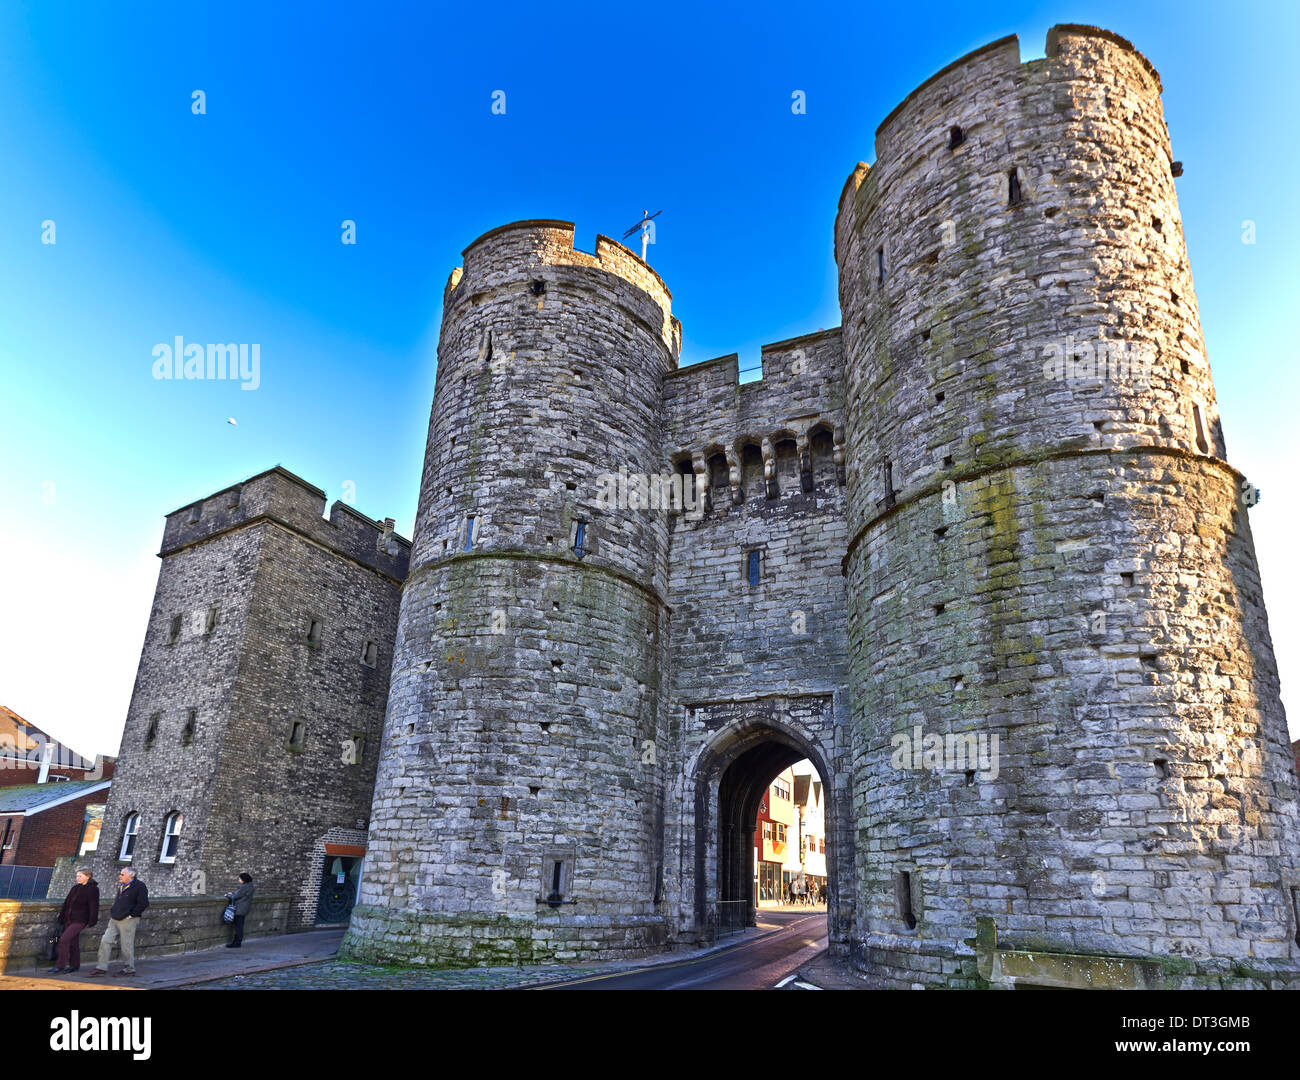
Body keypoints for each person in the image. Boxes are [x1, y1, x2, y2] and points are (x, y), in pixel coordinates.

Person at [88, 866, 148, 977]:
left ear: (131, 876)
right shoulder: (122, 885)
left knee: (126, 945)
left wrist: (131, 915)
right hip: (114, 918)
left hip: (128, 920)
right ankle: (101, 967)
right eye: (120, 874)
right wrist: (113, 911)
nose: (119, 876)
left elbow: (143, 903)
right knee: (105, 940)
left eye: (122, 874)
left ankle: (129, 969)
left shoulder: (140, 886)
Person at [49, 868, 99, 974]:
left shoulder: (93, 889)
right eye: (77, 876)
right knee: (73, 942)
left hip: (80, 920)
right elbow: (66, 903)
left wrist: (92, 920)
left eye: (80, 876)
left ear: (87, 876)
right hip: (69, 919)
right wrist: (61, 918)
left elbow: (94, 905)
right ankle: (74, 965)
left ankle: (60, 965)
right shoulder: (75, 888)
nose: (77, 878)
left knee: (63, 939)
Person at [224, 872, 255, 947]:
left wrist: (229, 895)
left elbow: (236, 896)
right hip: (244, 908)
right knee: (240, 925)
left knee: (238, 926)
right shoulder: (251, 886)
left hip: (239, 908)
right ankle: (237, 942)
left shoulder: (244, 887)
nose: (239, 879)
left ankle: (237, 943)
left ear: (243, 879)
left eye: (239, 878)